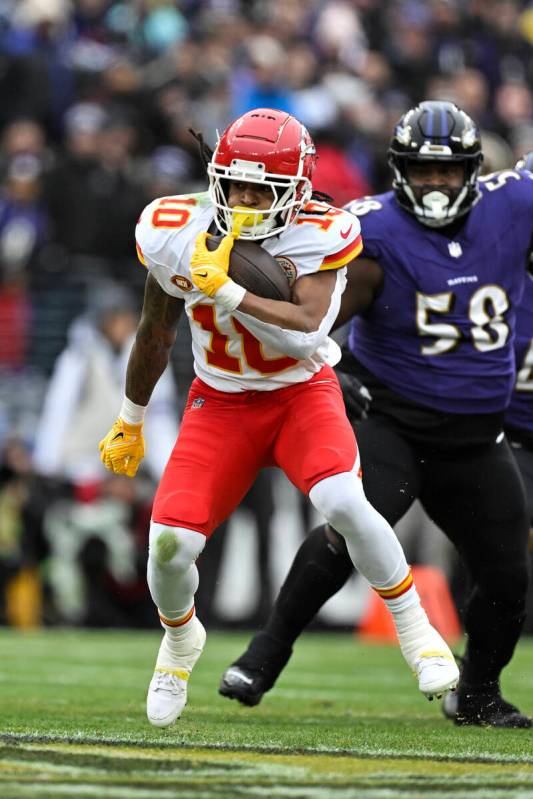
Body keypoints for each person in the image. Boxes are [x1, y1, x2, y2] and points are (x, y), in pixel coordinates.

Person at [99, 107, 459, 728]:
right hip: (221, 402)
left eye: (258, 188)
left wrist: (230, 290)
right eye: (231, 184)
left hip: (299, 394)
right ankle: (181, 637)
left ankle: (415, 626)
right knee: (168, 546)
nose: (241, 199)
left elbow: (306, 334)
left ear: (294, 191)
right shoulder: (173, 227)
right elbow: (155, 334)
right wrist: (130, 417)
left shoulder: (322, 231)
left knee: (346, 501)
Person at [218, 101, 533, 729]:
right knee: (351, 530)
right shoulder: (367, 232)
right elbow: (306, 322)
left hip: (476, 437)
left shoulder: (513, 206)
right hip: (393, 420)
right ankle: (267, 652)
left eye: (447, 172)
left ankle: (475, 694)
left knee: (506, 574)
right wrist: (338, 375)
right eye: (422, 171)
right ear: (399, 171)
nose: (436, 183)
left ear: (473, 170)